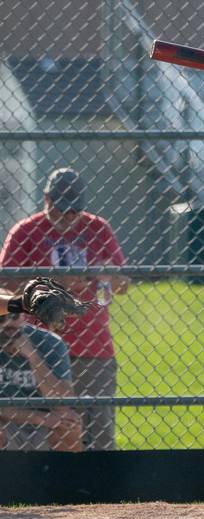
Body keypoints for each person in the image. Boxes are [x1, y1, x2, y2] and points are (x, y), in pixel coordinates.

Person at [0, 167, 129, 450]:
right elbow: (5, 286)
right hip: (38, 345)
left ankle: (99, 478)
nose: (69, 216)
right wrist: (54, 282)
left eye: (75, 210)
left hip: (91, 346)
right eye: (61, 209)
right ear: (46, 199)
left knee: (98, 430)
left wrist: (106, 273)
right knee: (47, 426)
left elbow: (123, 284)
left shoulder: (98, 228)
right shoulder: (26, 232)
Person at [0, 289, 83, 451]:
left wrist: (33, 357)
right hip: (8, 422)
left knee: (70, 425)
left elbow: (64, 403)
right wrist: (41, 417)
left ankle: (65, 469)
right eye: (2, 318)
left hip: (47, 424)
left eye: (15, 315)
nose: (9, 323)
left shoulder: (49, 342)